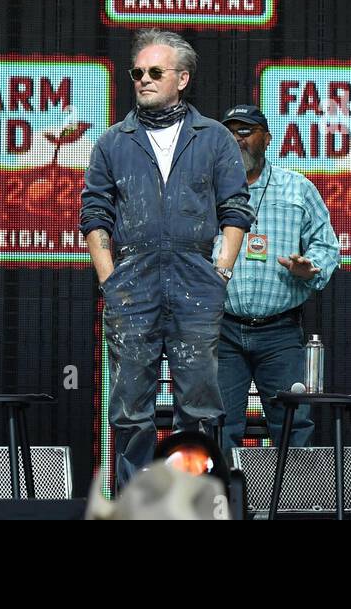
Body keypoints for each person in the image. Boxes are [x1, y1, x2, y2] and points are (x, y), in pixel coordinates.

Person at [80, 30, 253, 491]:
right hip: (131, 283)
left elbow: (236, 207)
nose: (143, 79)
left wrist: (222, 270)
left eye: (155, 72)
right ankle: (137, 505)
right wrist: (109, 279)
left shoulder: (214, 137)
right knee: (129, 408)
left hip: (197, 281)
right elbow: (94, 213)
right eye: (137, 72)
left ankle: (193, 501)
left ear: (183, 78)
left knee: (198, 406)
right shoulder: (114, 141)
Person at [215, 104, 341, 451]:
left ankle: (292, 504)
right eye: (229, 132)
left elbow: (326, 246)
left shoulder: (296, 188)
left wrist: (309, 267)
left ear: (267, 139)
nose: (236, 139)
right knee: (218, 425)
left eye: (245, 131)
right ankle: (223, 504)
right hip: (222, 328)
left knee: (292, 424)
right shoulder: (208, 188)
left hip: (280, 332)